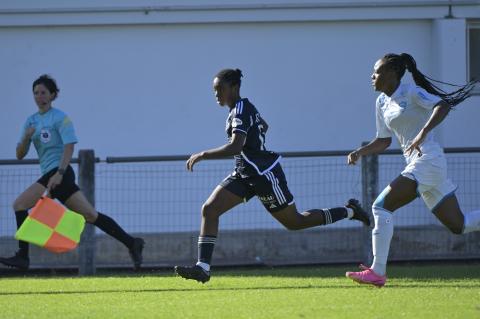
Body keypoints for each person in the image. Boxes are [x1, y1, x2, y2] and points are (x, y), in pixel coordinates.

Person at [174, 68, 370, 283]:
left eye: (220, 89)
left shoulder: (241, 110)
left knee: (295, 222)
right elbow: (263, 125)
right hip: (244, 174)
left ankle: (350, 211)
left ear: (235, 87)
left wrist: (203, 154)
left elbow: (235, 146)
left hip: (264, 176)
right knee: (210, 209)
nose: (216, 94)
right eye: (214, 90)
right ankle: (203, 268)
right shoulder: (240, 109)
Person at [345, 53, 480, 287]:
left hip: (429, 160)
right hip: (420, 165)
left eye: (376, 72)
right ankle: (377, 272)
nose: (372, 76)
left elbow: (443, 105)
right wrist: (360, 151)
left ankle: (377, 271)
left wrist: (423, 132)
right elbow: (383, 140)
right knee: (459, 225)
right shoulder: (381, 103)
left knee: (381, 206)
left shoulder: (411, 92)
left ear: (392, 74)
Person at [0, 74, 145, 271]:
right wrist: (26, 137)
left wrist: (59, 173)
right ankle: (132, 243)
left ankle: (23, 256)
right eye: (35, 93)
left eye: (43, 92)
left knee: (19, 204)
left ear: (52, 95)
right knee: (90, 215)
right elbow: (19, 154)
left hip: (60, 173)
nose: (39, 96)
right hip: (51, 174)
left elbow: (69, 146)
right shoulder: (30, 121)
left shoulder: (60, 118)